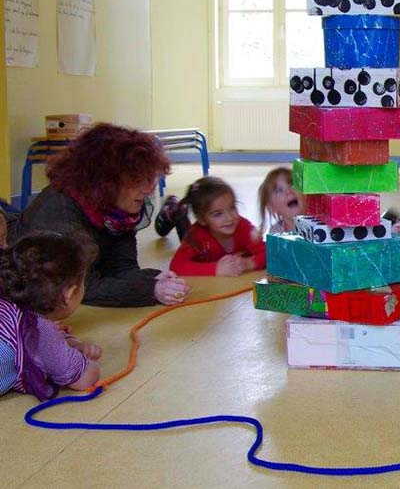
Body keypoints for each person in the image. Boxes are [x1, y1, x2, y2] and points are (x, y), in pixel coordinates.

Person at [9, 124, 190, 307]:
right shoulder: (61, 212)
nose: (147, 189)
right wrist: (151, 289)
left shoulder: (118, 211)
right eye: (136, 180)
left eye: (150, 178)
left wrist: (156, 279)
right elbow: (79, 287)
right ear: (103, 180)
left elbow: (122, 268)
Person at [0, 233, 101, 400]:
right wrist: (87, 361)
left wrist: (67, 342)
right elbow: (82, 379)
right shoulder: (41, 330)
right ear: (69, 295)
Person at [169, 177, 266, 277]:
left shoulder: (243, 227)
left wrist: (249, 263)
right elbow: (176, 266)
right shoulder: (196, 235)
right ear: (202, 219)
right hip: (194, 234)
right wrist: (215, 269)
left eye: (232, 207)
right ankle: (172, 210)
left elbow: (270, 254)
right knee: (183, 227)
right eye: (218, 214)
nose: (229, 218)